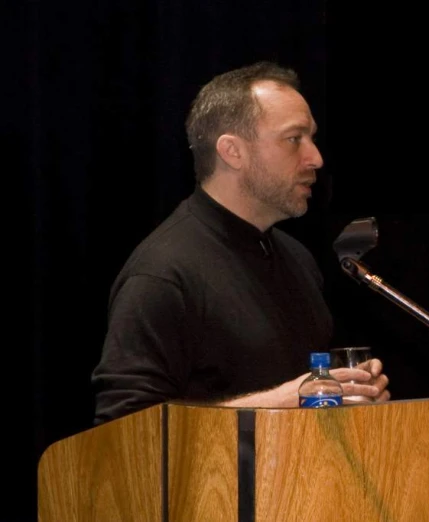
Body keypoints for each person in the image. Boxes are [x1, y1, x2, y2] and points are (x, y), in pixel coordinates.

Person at [91, 60, 390, 425]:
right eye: (294, 139)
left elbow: (304, 405)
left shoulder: (297, 259)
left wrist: (342, 397)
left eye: (311, 138)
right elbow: (123, 429)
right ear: (232, 152)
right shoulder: (163, 272)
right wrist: (272, 404)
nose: (316, 157)